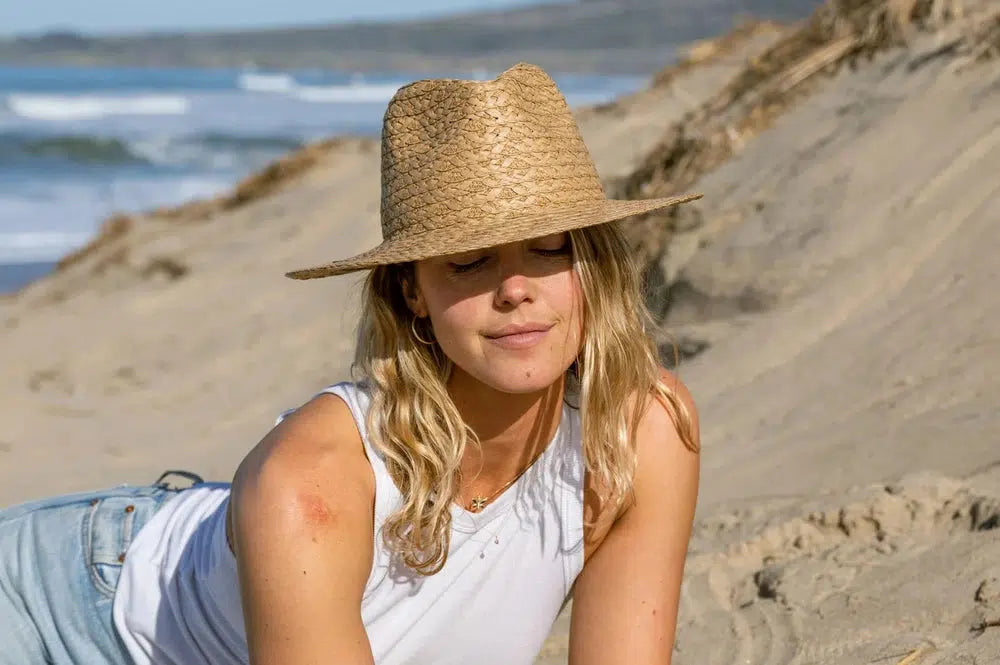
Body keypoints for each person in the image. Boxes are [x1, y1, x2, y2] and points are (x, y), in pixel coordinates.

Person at [0, 63, 701, 665]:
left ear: (593, 265)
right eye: (470, 260)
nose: (516, 288)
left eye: (549, 248)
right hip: (58, 615)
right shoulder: (311, 484)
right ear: (412, 292)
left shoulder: (642, 430)